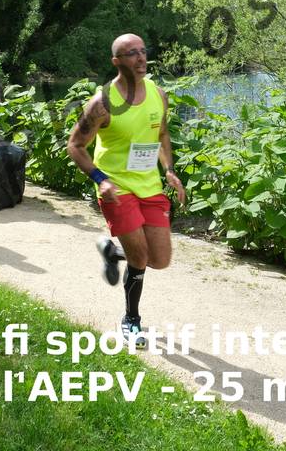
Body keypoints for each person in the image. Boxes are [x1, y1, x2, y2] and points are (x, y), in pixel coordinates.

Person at [65, 33, 185, 348]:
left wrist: (169, 170)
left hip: (150, 186)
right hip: (116, 188)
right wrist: (100, 179)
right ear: (116, 62)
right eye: (132, 53)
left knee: (160, 260)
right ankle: (131, 320)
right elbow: (75, 145)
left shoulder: (159, 94)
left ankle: (113, 252)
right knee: (140, 256)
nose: (141, 57)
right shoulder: (102, 103)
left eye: (143, 51)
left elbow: (161, 133)